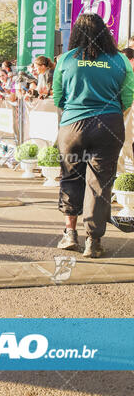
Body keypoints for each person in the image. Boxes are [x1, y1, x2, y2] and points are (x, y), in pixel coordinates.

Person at [53, 13, 134, 258]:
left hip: (72, 127)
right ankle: (93, 241)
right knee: (100, 183)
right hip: (108, 125)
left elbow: (58, 97)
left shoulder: (66, 59)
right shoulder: (120, 60)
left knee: (70, 177)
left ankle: (69, 233)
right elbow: (128, 97)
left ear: (77, 33)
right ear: (105, 33)